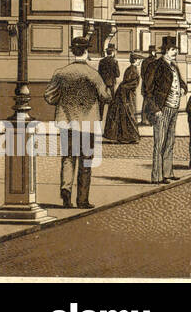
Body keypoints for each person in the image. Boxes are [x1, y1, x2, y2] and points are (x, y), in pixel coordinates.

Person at [44, 37, 111, 209]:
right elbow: (105, 97)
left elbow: (49, 96)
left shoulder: (61, 72)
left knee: (68, 158)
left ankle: (66, 190)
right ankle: (82, 199)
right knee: (86, 161)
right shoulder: (93, 74)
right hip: (88, 122)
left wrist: (64, 102)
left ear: (73, 51)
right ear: (86, 52)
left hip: (67, 121)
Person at [144, 42, 184, 184]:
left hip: (174, 107)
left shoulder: (174, 66)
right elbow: (147, 90)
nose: (175, 52)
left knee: (170, 141)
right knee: (159, 143)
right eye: (173, 49)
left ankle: (167, 173)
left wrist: (183, 88)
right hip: (162, 108)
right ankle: (157, 176)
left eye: (176, 50)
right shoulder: (155, 66)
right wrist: (155, 109)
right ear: (166, 51)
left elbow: (181, 82)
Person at [103, 52, 141, 144]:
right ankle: (129, 137)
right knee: (127, 114)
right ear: (135, 60)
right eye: (139, 60)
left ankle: (126, 136)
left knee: (125, 114)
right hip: (126, 95)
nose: (140, 61)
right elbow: (129, 83)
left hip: (126, 94)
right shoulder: (133, 70)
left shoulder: (131, 69)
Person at [97, 43, 119, 119]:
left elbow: (99, 72)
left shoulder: (101, 61)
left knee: (102, 99)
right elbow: (117, 74)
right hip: (111, 82)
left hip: (103, 82)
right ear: (113, 52)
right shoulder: (115, 61)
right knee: (113, 99)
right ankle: (112, 116)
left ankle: (100, 116)